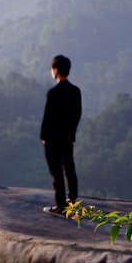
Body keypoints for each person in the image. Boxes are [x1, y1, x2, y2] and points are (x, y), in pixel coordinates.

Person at [40, 54, 82, 215]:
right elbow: (77, 114)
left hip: (52, 139)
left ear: (55, 70)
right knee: (69, 169)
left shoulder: (53, 93)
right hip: (67, 137)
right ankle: (72, 202)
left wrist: (44, 137)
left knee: (56, 172)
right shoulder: (75, 91)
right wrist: (71, 133)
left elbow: (48, 117)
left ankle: (60, 206)